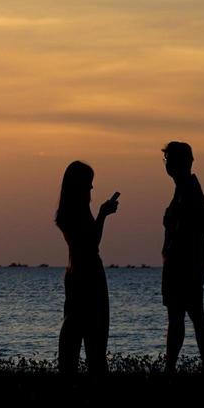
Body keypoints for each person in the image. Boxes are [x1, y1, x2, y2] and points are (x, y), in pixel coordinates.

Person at [55, 161, 119, 375]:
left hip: (76, 278)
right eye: (89, 184)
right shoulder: (76, 213)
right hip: (90, 278)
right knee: (95, 346)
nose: (91, 189)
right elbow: (91, 243)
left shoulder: (69, 212)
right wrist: (102, 215)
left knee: (72, 342)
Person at [161, 141, 204, 374]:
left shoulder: (190, 189)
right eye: (167, 160)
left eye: (172, 160)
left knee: (192, 315)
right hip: (178, 264)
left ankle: (202, 366)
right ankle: (173, 366)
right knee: (179, 316)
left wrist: (186, 244)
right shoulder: (183, 188)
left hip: (186, 265)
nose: (168, 165)